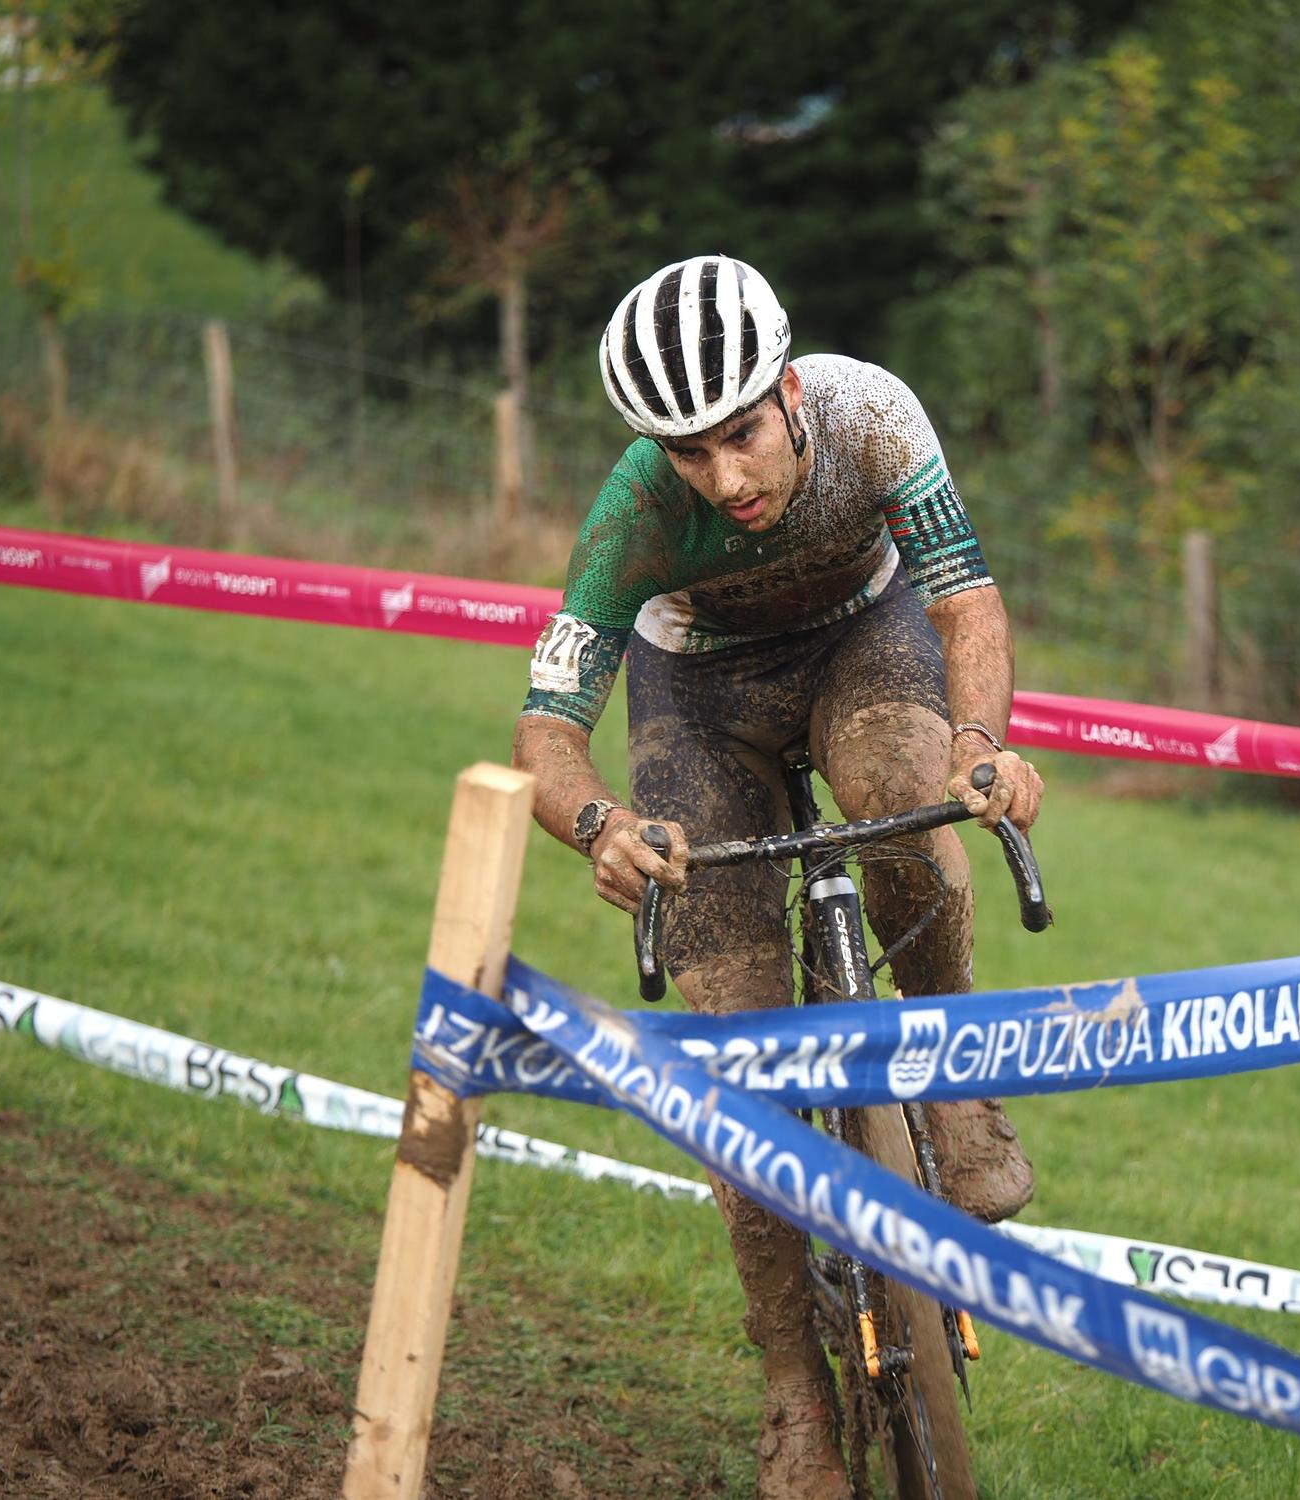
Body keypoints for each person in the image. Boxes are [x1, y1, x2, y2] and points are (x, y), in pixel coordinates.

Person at [512, 254, 1041, 1499]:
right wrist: (597, 824)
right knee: (736, 1048)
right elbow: (543, 728)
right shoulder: (634, 510)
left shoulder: (871, 415)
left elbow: (966, 605)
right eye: (687, 454)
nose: (727, 479)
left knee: (907, 798)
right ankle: (792, 1388)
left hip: (866, 643)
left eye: (741, 435)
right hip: (697, 702)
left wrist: (979, 746)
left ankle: (953, 1073)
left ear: (788, 390)